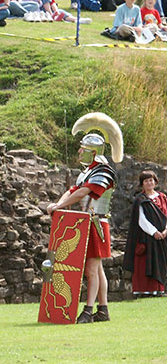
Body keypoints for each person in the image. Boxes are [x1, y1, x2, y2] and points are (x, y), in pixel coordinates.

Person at [47, 112, 122, 323]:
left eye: (83, 149)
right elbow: (72, 191)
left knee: (91, 269)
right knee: (97, 270)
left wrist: (60, 205)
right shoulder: (86, 172)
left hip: (97, 223)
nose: (79, 151)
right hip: (85, 223)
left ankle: (88, 311)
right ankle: (103, 310)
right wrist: (58, 205)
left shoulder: (103, 171)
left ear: (94, 152)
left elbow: (83, 193)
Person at [123, 170, 167, 295]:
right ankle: (144, 290)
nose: (149, 183)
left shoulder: (162, 197)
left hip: (162, 237)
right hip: (146, 237)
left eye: (151, 180)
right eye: (146, 181)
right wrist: (154, 232)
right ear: (142, 184)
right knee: (144, 264)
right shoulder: (140, 199)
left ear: (155, 181)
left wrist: (165, 231)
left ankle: (159, 289)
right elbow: (141, 219)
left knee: (159, 263)